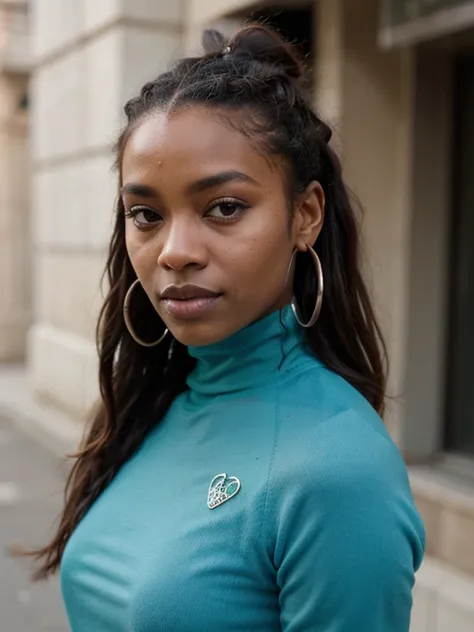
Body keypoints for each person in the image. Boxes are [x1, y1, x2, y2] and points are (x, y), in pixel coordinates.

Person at [32, 24, 425, 631]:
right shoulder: (151, 404)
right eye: (146, 215)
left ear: (305, 215)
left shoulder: (340, 470)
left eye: (224, 208)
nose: (175, 251)